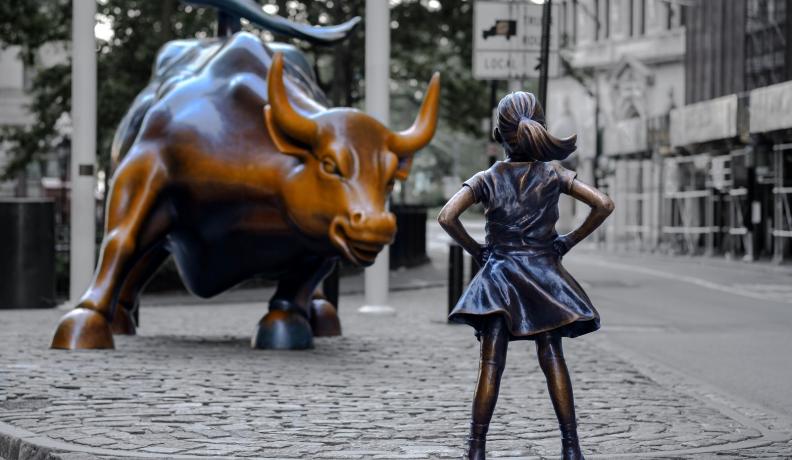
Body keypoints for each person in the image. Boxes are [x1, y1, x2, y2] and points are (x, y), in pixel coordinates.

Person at [438, 91, 614, 460]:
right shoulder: (553, 173)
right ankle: (571, 447)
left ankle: (476, 448)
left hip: (499, 276)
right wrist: (566, 242)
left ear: (499, 133)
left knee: (490, 364)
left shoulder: (487, 177)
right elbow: (603, 204)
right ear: (539, 127)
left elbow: (447, 217)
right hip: (543, 277)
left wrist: (477, 251)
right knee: (553, 358)